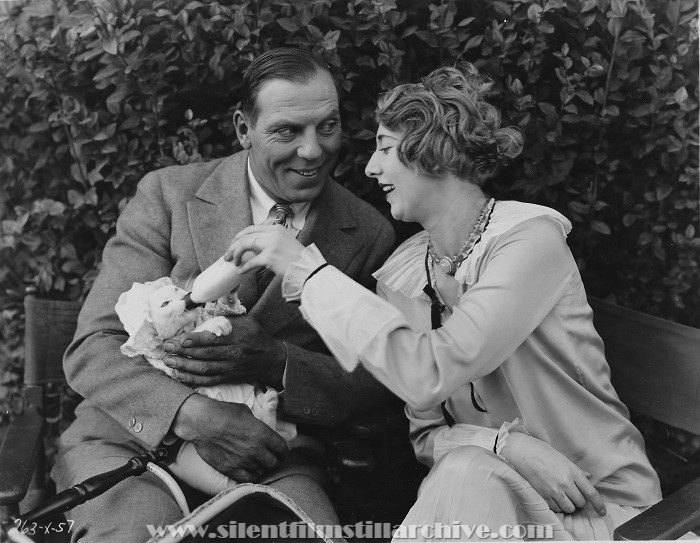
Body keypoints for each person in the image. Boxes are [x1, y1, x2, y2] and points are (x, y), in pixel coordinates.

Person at [227, 63, 662, 540]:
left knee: (465, 474)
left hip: (602, 508)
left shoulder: (529, 243)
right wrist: (503, 446)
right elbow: (427, 436)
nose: (370, 168)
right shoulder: (405, 274)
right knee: (467, 471)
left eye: (386, 149)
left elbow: (431, 371)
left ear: (430, 152)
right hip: (495, 500)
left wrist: (306, 271)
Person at [52, 47, 395, 542]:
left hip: (271, 457)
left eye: (328, 125)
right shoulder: (168, 197)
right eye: (287, 130)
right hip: (129, 447)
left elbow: (375, 378)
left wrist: (276, 360)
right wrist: (193, 415)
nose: (314, 150)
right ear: (243, 130)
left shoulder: (367, 233)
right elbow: (94, 347)